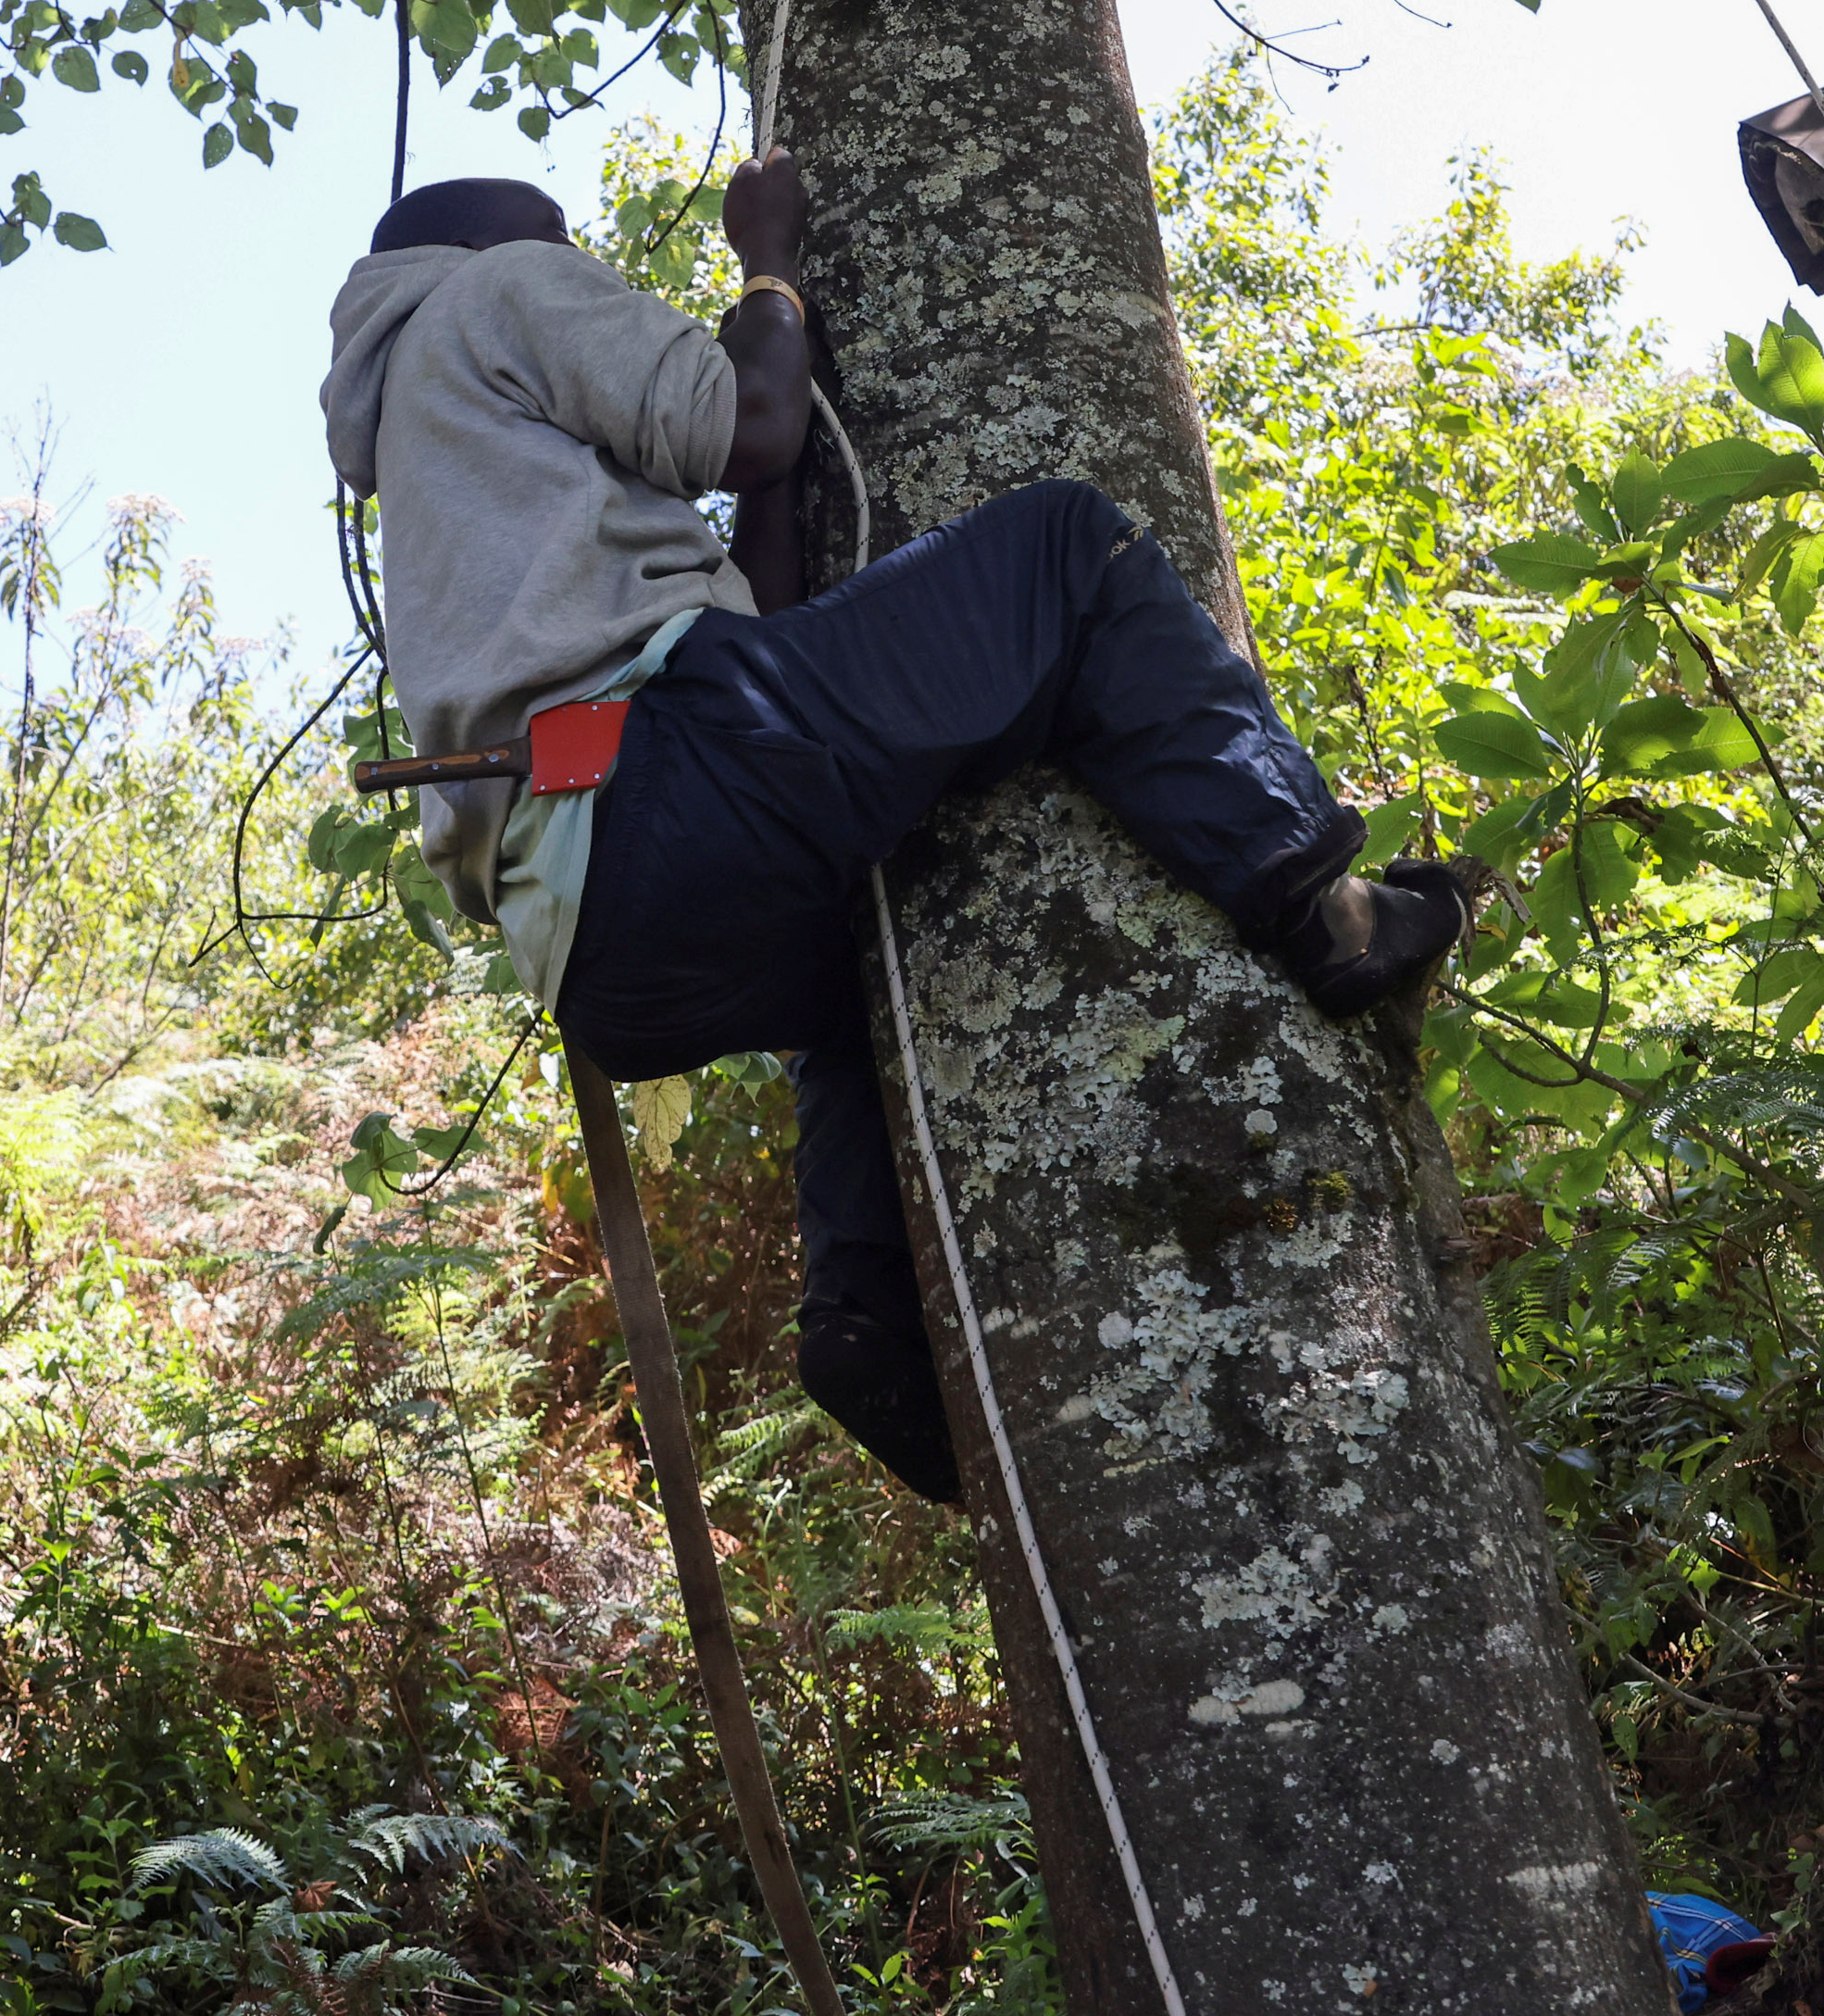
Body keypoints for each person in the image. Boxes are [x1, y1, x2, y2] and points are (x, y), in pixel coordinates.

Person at [322, 155, 1469, 1505]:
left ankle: (862, 1316)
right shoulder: (496, 289)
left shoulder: (422, 449)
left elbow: (754, 595)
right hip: (676, 773)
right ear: (486, 245)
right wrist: (767, 260)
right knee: (1066, 550)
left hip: (596, 940)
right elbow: (751, 425)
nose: (577, 261)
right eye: (561, 243)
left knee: (864, 991)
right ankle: (1316, 904)